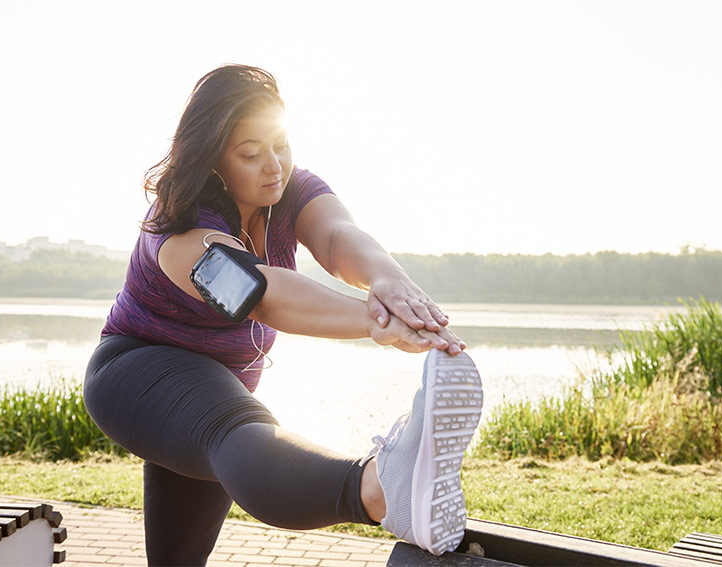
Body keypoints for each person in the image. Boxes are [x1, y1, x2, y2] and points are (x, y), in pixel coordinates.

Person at [83, 64, 484, 566]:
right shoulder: (179, 230)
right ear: (212, 161)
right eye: (251, 154)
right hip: (135, 373)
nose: (274, 165)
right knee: (239, 433)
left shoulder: (290, 190)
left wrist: (386, 279)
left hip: (215, 388)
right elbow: (264, 293)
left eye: (282, 145)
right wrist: (376, 322)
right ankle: (379, 487)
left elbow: (338, 237)